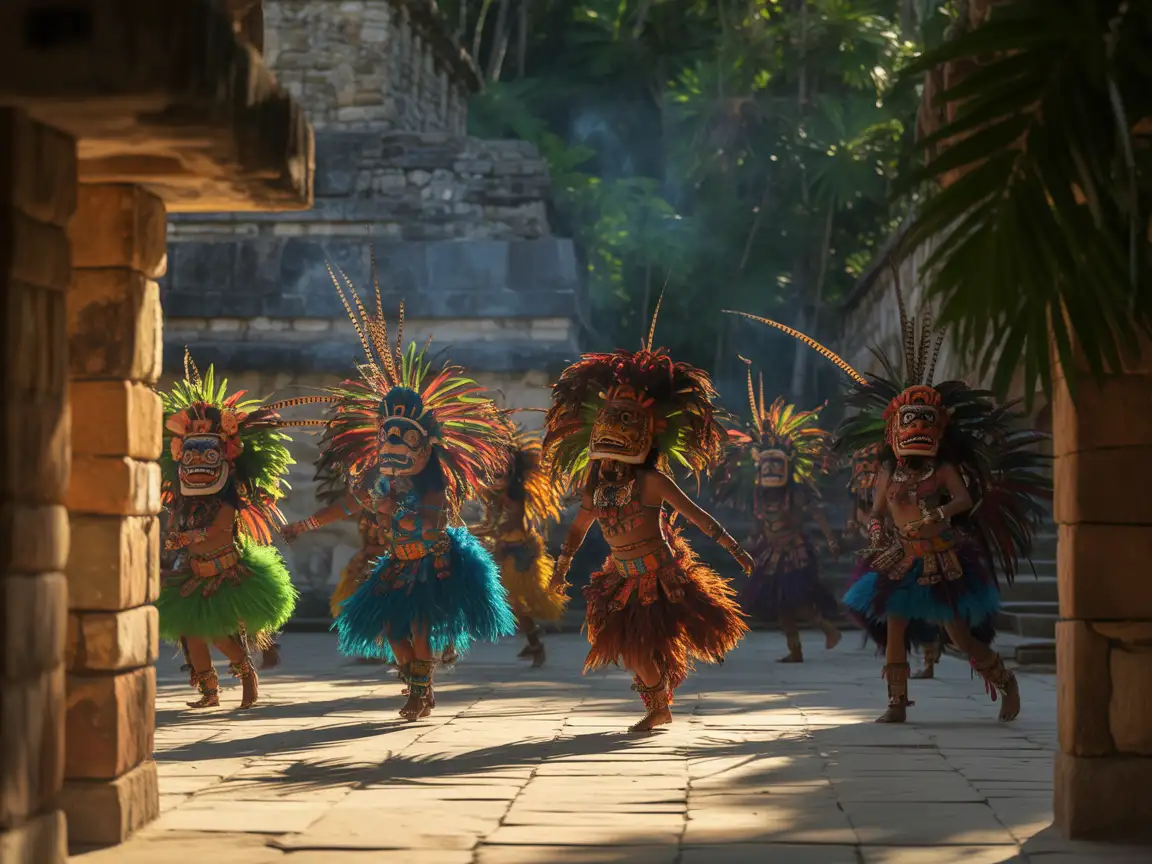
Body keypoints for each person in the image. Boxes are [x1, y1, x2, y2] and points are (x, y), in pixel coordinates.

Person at [724, 290, 1050, 724]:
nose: (916, 431)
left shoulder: (943, 469)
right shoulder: (887, 472)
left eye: (924, 424)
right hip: (901, 558)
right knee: (894, 623)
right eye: (908, 424)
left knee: (959, 636)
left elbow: (964, 500)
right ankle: (896, 703)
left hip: (941, 557)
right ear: (893, 431)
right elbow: (877, 512)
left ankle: (1004, 681)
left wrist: (938, 514)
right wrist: (877, 535)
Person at [282, 268, 516, 721]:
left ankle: (418, 695)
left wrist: (395, 506)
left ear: (426, 447)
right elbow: (350, 505)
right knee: (391, 628)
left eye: (405, 441)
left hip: (433, 560)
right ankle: (417, 685)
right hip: (398, 560)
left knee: (421, 627)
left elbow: (432, 521)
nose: (393, 448)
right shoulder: (383, 479)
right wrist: (305, 524)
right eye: (388, 438)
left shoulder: (435, 482)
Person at [543, 297, 752, 732]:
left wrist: (735, 549)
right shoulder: (595, 488)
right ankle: (659, 702)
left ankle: (659, 709)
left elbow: (695, 515)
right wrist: (561, 567)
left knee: (642, 651)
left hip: (661, 576)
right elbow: (578, 529)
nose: (612, 459)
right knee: (635, 650)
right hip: (620, 578)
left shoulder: (652, 483)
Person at [156, 354, 314, 709]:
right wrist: (172, 535)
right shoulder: (182, 503)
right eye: (190, 455)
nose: (196, 462)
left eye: (206, 455)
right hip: (195, 575)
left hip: (227, 573)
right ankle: (209, 692)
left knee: (213, 632)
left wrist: (186, 538)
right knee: (193, 633)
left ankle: (246, 673)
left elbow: (219, 531)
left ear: (226, 459)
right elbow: (175, 530)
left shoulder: (227, 502)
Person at [715, 361, 842, 662]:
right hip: (770, 552)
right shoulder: (759, 494)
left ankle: (826, 628)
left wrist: (831, 539)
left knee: (793, 600)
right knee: (780, 604)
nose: (771, 470)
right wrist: (750, 541)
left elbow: (816, 514)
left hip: (792, 551)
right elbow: (758, 522)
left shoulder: (794, 493)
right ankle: (795, 649)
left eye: (777, 465)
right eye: (766, 466)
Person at [474, 429, 569, 667]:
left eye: (500, 472)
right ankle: (534, 641)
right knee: (513, 603)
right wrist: (469, 530)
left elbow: (505, 526)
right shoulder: (495, 499)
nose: (495, 477)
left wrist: (479, 532)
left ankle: (535, 642)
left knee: (517, 603)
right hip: (506, 553)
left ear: (511, 473)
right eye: (493, 472)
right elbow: (491, 525)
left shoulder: (515, 499)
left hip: (523, 555)